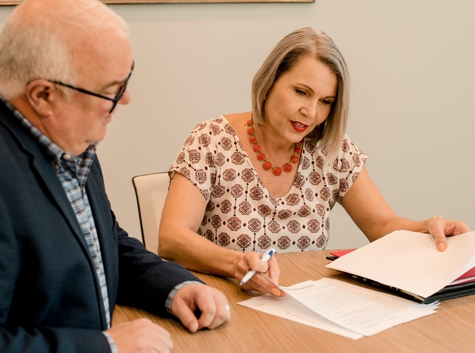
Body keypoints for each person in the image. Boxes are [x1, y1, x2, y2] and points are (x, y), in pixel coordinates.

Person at [0, 0, 230, 353]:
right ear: (43, 94)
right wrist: (106, 349)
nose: (125, 100)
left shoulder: (70, 141)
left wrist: (177, 286)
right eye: (110, 90)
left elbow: (106, 243)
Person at [158, 27, 470, 298]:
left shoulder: (331, 150)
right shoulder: (211, 139)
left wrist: (427, 227)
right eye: (300, 92)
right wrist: (235, 263)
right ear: (270, 81)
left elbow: (381, 225)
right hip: (225, 301)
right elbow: (171, 239)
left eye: (325, 102)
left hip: (301, 305)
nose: (311, 112)